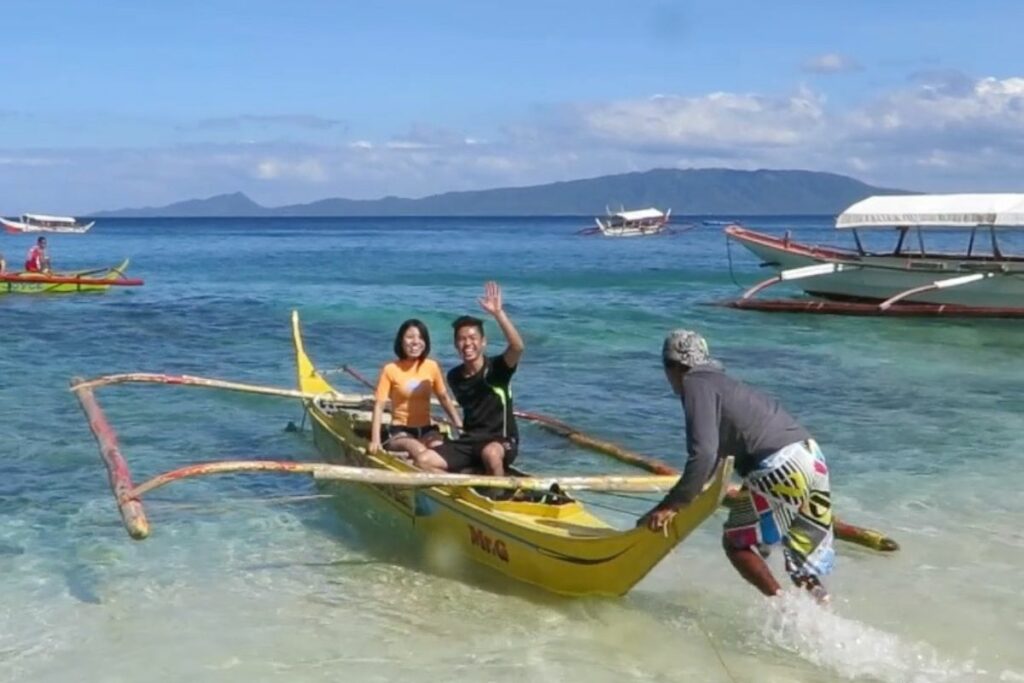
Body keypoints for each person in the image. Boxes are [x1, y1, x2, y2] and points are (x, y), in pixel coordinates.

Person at [639, 330, 835, 602]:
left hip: (781, 465)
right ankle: (821, 608)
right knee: (799, 555)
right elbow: (717, 458)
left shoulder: (694, 382)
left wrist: (672, 505)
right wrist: (686, 500)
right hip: (812, 457)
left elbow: (704, 454)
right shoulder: (723, 383)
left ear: (672, 366)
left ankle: (783, 608)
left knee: (736, 542)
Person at [419, 281, 525, 476]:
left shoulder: (498, 370)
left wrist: (498, 313)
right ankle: (461, 486)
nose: (467, 343)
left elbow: (517, 347)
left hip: (502, 442)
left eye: (472, 338)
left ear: (483, 342)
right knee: (423, 460)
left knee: (491, 454)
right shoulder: (455, 376)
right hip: (469, 442)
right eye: (461, 339)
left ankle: (497, 495)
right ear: (456, 345)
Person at [368, 319, 462, 466]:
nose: (415, 342)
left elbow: (444, 398)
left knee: (441, 451)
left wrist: (459, 426)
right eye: (410, 337)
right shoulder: (390, 369)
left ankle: (446, 481)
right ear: (401, 341)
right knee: (419, 451)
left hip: (427, 430)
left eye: (420, 337)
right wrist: (375, 440)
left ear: (425, 342)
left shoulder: (432, 366)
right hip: (400, 433)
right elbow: (379, 406)